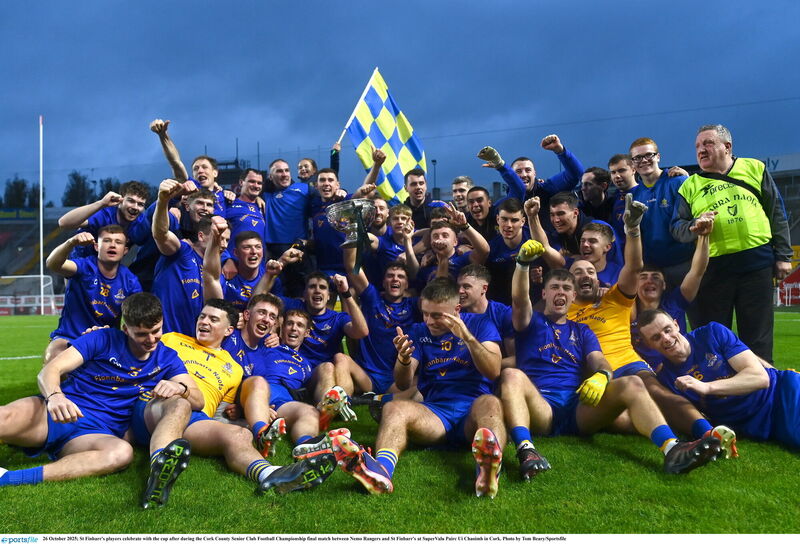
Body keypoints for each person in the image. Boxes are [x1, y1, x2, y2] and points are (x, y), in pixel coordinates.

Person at [500, 251, 722, 479]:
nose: (561, 293)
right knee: (511, 375)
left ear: (573, 295)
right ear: (545, 293)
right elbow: (519, 299)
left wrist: (602, 376)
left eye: (566, 289)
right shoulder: (530, 322)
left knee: (633, 383)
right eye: (555, 287)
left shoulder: (582, 330)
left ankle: (672, 449)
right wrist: (523, 265)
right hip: (541, 406)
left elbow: (599, 360)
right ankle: (526, 450)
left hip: (577, 407)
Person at [132, 299, 335, 498]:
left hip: (197, 419)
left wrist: (244, 420)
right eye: (202, 317)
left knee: (239, 435)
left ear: (228, 330)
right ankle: (158, 473)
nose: (204, 322)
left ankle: (271, 474)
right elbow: (136, 352)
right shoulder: (173, 340)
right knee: (180, 404)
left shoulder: (234, 370)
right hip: (157, 407)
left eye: (213, 319)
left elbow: (223, 412)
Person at [566, 197, 728, 446]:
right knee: (619, 419)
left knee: (656, 392)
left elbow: (633, 266)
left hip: (629, 364)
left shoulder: (614, 299)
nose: (586, 274)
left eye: (591, 271)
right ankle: (677, 433)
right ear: (569, 282)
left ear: (598, 279)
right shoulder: (563, 311)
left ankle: (710, 434)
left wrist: (632, 230)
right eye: (578, 272)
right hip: (593, 375)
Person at [0, 293, 201, 492]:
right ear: (125, 329)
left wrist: (181, 388)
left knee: (121, 453)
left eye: (156, 331)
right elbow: (50, 370)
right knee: (4, 418)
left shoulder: (167, 358)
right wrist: (55, 397)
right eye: (141, 334)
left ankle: (7, 478)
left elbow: (198, 400)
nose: (151, 339)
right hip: (56, 413)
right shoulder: (101, 338)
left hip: (95, 433)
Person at [332, 279, 507, 498]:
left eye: (437, 315)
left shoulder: (481, 324)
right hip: (436, 414)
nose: (429, 321)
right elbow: (403, 384)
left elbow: (493, 371)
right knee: (393, 409)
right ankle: (381, 471)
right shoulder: (418, 330)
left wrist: (467, 338)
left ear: (457, 310)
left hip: (472, 413)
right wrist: (404, 360)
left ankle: (487, 473)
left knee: (491, 403)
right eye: (425, 313)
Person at [671, 124, 793, 364]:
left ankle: (762, 393)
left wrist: (784, 255)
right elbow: (677, 228)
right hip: (712, 270)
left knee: (758, 338)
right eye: (697, 146)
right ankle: (719, 392)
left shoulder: (754, 168)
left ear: (727, 147)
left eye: (707, 143)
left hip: (756, 265)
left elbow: (776, 213)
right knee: (714, 338)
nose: (701, 150)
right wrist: (694, 227)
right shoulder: (690, 185)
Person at [638, 309, 800, 449]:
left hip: (781, 393)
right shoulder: (667, 379)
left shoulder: (712, 333)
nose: (666, 338)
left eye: (667, 330)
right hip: (756, 426)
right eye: (656, 337)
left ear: (676, 325)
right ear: (649, 345)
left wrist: (707, 387)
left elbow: (760, 378)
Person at [44, 225, 142, 364]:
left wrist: (117, 334)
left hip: (106, 338)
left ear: (125, 250)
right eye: (107, 240)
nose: (112, 245)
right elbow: (53, 264)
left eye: (118, 242)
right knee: (54, 355)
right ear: (96, 246)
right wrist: (71, 243)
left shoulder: (131, 281)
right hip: (71, 336)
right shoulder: (84, 267)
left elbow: (136, 319)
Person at [151, 179, 227, 335]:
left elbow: (217, 309)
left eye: (226, 239)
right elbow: (160, 234)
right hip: (161, 342)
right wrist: (163, 201)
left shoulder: (220, 276)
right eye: (218, 236)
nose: (223, 243)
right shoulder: (182, 251)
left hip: (194, 349)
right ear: (201, 236)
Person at [477, 134, 584, 231]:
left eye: (528, 170)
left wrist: (560, 151)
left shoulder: (547, 189)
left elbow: (576, 174)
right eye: (518, 172)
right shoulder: (504, 203)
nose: (523, 175)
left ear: (535, 174)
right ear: (511, 175)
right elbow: (518, 190)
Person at [628, 137, 692, 288]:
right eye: (637, 158)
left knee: (695, 310)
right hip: (653, 269)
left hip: (684, 263)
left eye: (648, 155)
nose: (643, 160)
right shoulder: (634, 195)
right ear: (632, 163)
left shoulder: (678, 181)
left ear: (658, 156)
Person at [57, 181, 151, 258]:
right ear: (120, 200)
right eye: (131, 201)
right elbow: (63, 223)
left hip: (108, 268)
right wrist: (101, 203)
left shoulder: (141, 224)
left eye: (140, 204)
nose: (135, 207)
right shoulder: (104, 215)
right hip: (81, 264)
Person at [457, 263, 514, 357]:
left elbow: (514, 359)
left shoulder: (504, 314)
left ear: (484, 288)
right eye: (458, 287)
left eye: (466, 286)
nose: (460, 291)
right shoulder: (456, 314)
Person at [484, 198, 532, 305]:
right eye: (504, 219)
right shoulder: (491, 248)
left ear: (523, 221)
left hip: (534, 299)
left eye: (514, 220)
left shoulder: (534, 237)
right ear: (497, 219)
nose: (508, 225)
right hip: (503, 303)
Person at [608, 154, 638, 243]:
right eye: (613, 172)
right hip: (619, 253)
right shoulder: (612, 199)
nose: (617, 176)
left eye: (621, 171)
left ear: (633, 170)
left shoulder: (645, 193)